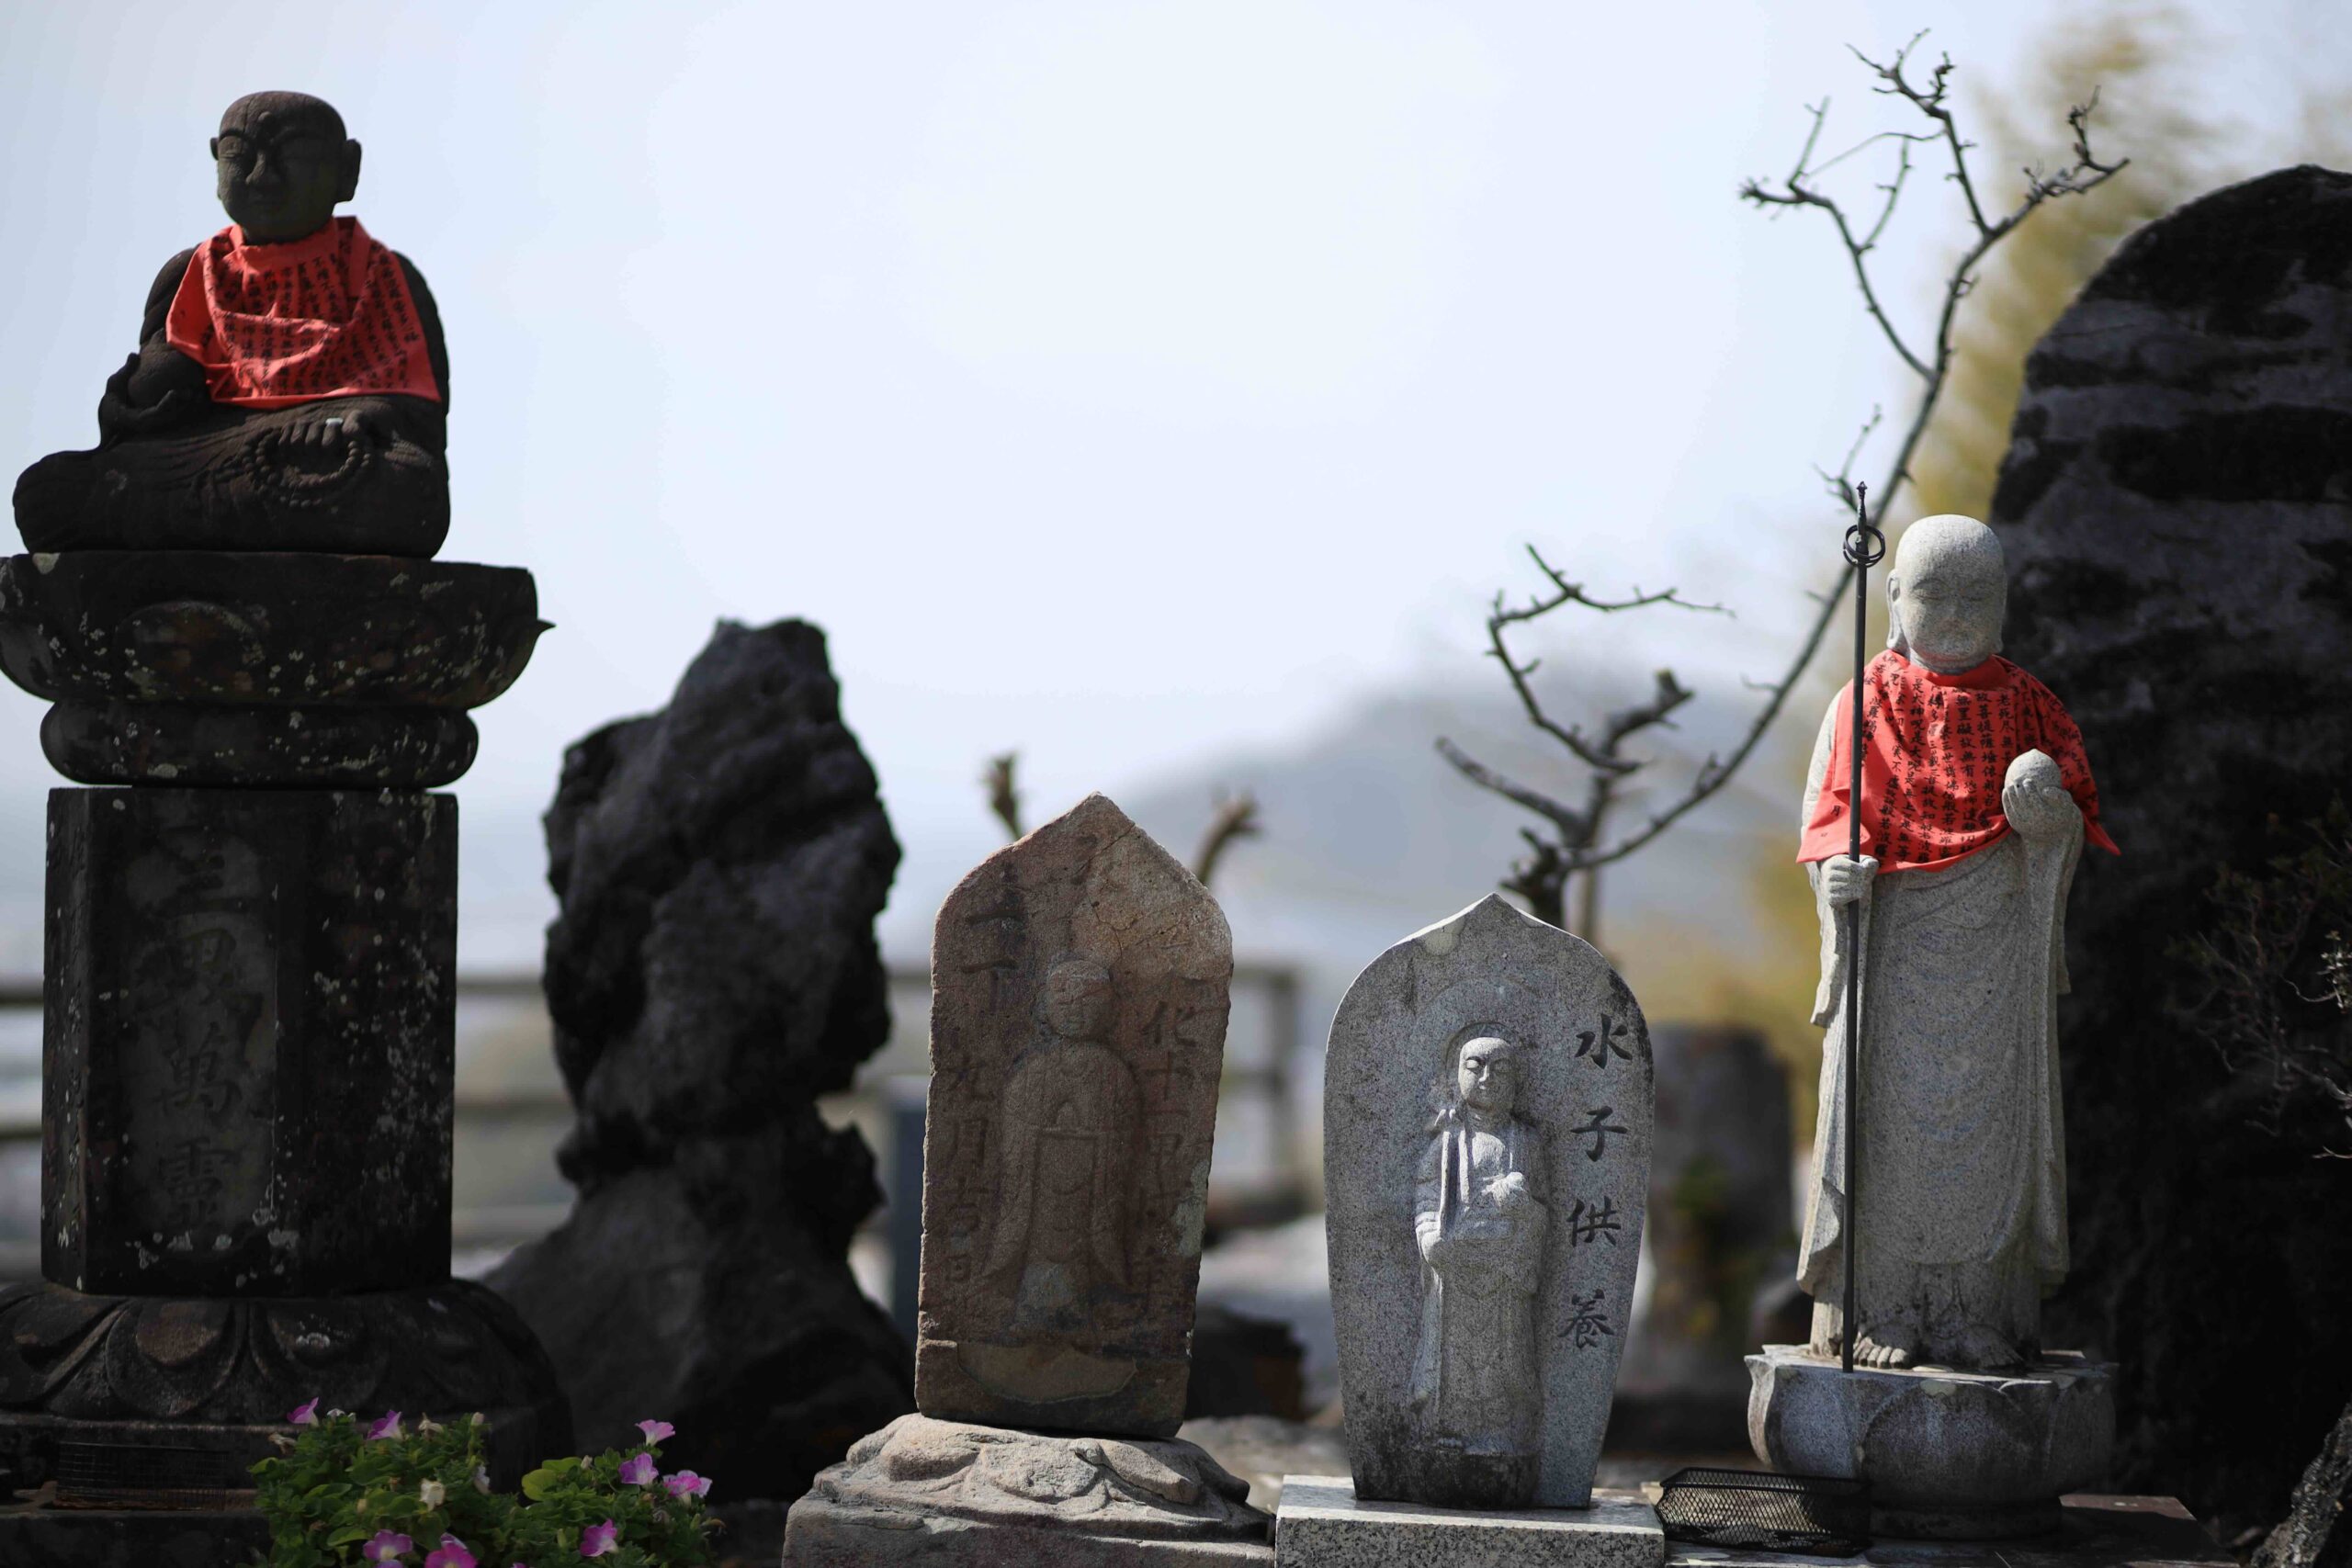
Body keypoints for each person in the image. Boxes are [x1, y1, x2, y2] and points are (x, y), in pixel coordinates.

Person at [1796, 513, 2117, 1370]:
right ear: (1895, 597)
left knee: (1986, 1131)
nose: (1957, 612)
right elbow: (1827, 823)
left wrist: (2047, 826)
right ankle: (1887, 1304)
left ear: (2005, 603)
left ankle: (1980, 1305)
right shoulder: (1862, 701)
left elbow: (2066, 831)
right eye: (1936, 593)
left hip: (1996, 946)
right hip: (1897, 942)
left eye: (1979, 595)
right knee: (1890, 1122)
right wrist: (1838, 884)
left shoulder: (2031, 708)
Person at [13, 92, 451, 555]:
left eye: (294, 156)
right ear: (216, 161)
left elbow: (421, 419)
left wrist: (353, 419)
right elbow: (139, 424)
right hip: (212, 456)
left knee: (408, 490)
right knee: (49, 492)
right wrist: (151, 392)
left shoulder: (384, 277)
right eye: (240, 156)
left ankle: (213, 513)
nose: (263, 176)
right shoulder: (191, 275)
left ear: (347, 170)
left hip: (328, 453)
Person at [1410, 1034, 1547, 1500]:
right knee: (1455, 1362)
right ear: (1458, 1075)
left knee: (1503, 1361)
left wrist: (1522, 1205)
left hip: (1506, 1275)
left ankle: (1500, 1434)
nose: (1487, 1078)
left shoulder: (1524, 1142)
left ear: (1516, 1080)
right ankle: (1447, 1431)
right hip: (1456, 1275)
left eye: (1500, 1069)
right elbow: (1427, 1197)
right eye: (1476, 1066)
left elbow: (1543, 1212)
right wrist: (1430, 1235)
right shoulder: (1447, 1140)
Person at [982, 958, 1140, 1327]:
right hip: (1038, 1190)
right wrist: (1038, 1133)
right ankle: (1033, 1304)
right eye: (1065, 1003)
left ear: (1108, 1008)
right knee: (1041, 1251)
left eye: (1088, 1003)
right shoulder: (1034, 1070)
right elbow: (1016, 1136)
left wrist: (1095, 1136)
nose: (1075, 1012)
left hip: (1090, 1188)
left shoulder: (1113, 1073)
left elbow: (1121, 1140)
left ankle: (1080, 1304)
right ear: (1045, 1007)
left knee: (1079, 1252)